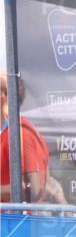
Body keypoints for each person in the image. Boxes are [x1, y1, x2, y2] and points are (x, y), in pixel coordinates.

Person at [1, 73, 49, 203]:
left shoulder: (21, 133)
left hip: (17, 222)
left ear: (3, 96)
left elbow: (30, 190)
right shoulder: (11, 132)